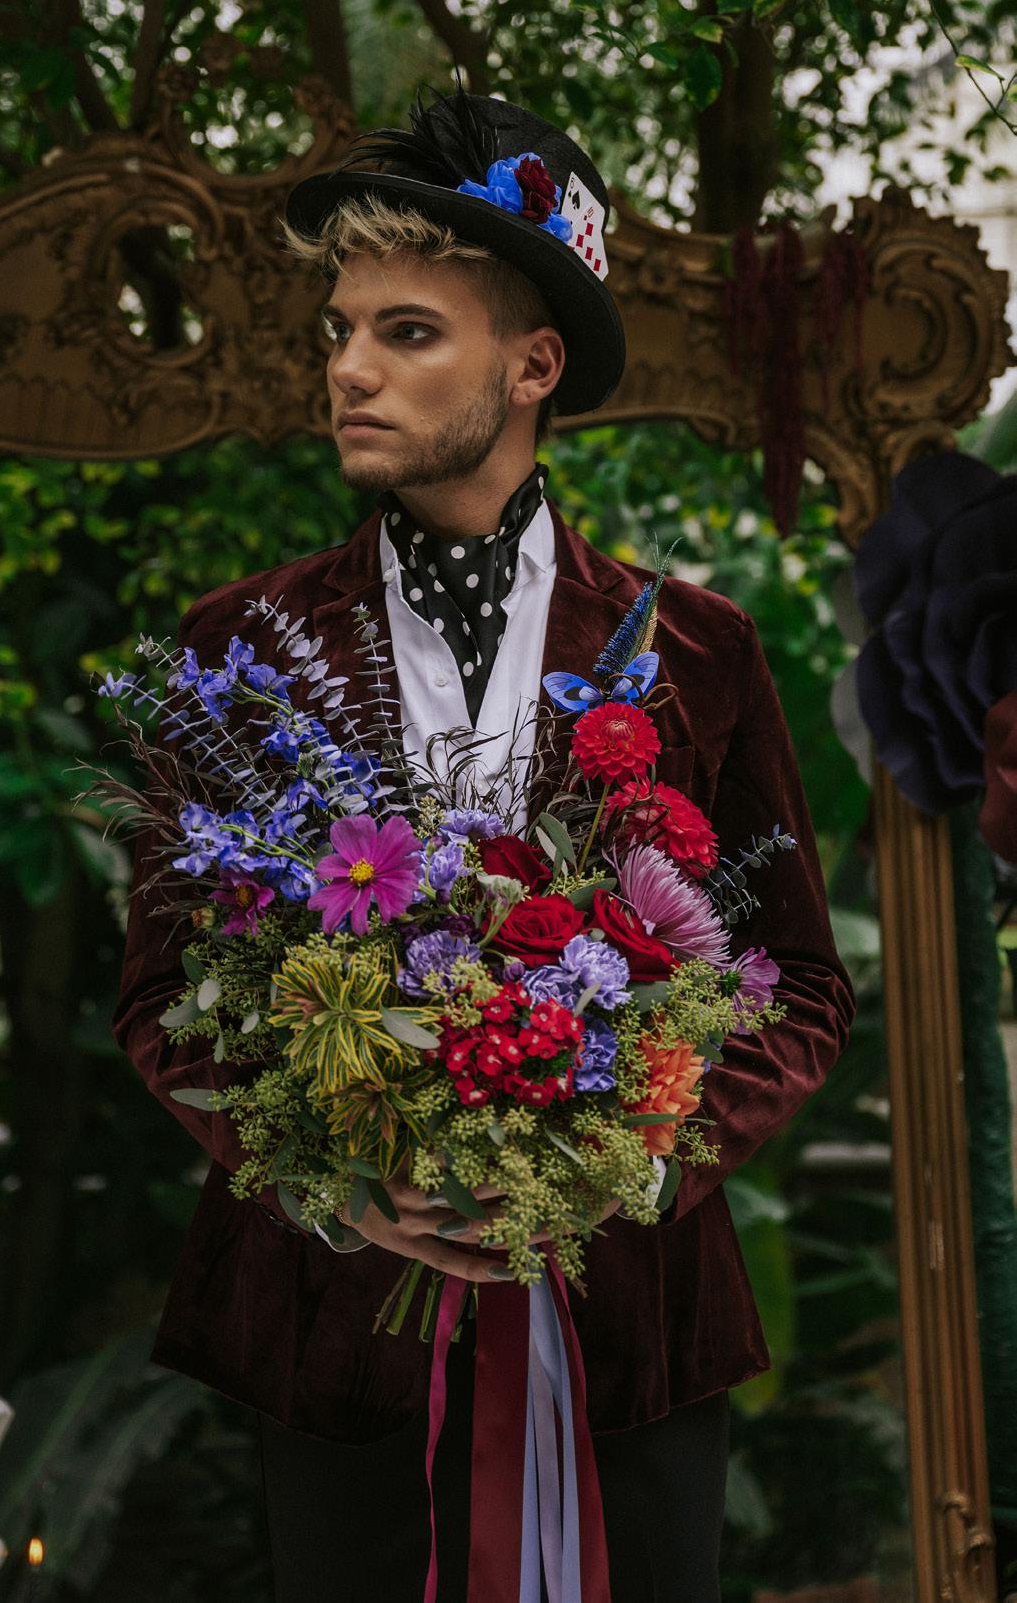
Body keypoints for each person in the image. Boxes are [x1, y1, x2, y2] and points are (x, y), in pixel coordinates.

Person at [112, 82, 856, 1602]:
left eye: (406, 332)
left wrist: (625, 1162)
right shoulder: (239, 644)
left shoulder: (701, 650)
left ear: (533, 364)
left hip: (635, 1329)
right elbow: (162, 996)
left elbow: (799, 987)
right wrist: (333, 1175)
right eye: (341, 330)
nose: (350, 369)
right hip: (338, 1340)